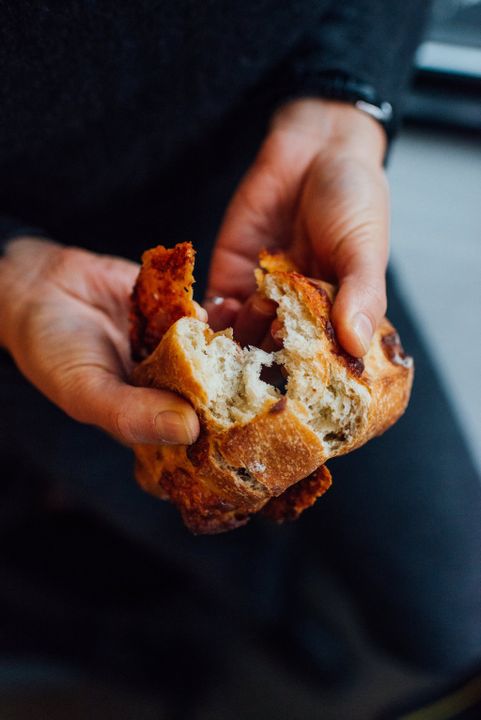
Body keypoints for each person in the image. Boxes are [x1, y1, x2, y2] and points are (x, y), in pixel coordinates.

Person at [1, 0, 480, 700]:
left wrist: (345, 102)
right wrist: (8, 272)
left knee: (449, 615)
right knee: (166, 516)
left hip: (274, 199)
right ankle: (256, 614)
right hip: (37, 273)